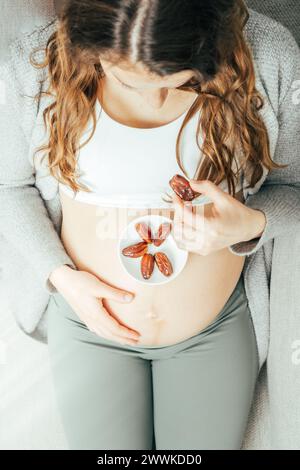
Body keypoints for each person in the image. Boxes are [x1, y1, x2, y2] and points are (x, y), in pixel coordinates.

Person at [1, 0, 300, 450]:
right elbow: (8, 188)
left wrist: (250, 224)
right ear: (89, 48)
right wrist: (63, 278)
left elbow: (295, 187)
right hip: (88, 327)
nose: (155, 101)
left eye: (183, 83)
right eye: (128, 82)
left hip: (214, 329)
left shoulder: (270, 56)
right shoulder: (35, 68)